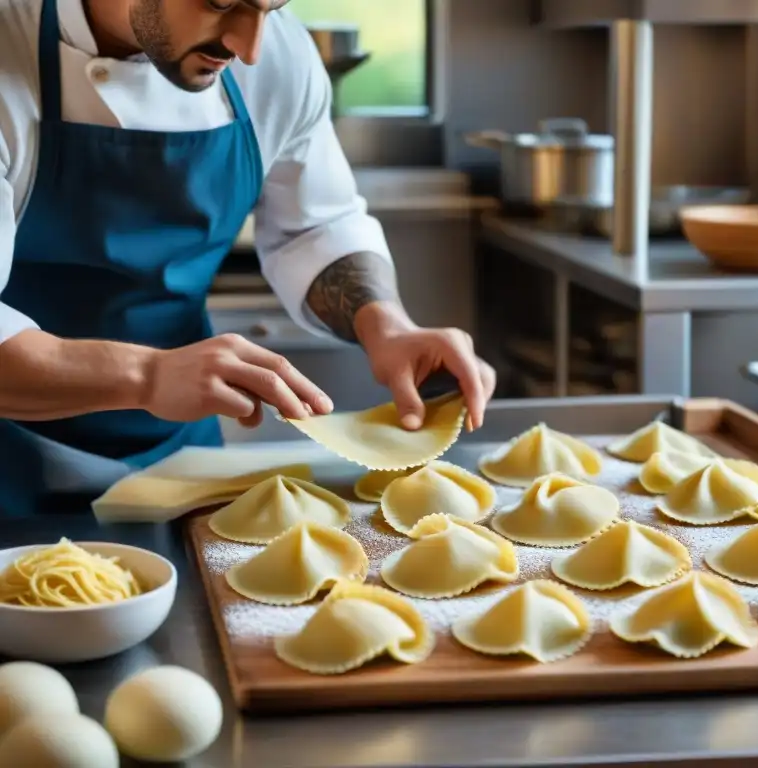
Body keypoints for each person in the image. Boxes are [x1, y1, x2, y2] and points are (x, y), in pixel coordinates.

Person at [0, 0, 496, 518]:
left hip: (181, 465)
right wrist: (148, 377)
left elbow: (315, 226)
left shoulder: (279, 55)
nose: (249, 47)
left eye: (271, 6)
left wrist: (386, 325)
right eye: (221, 3)